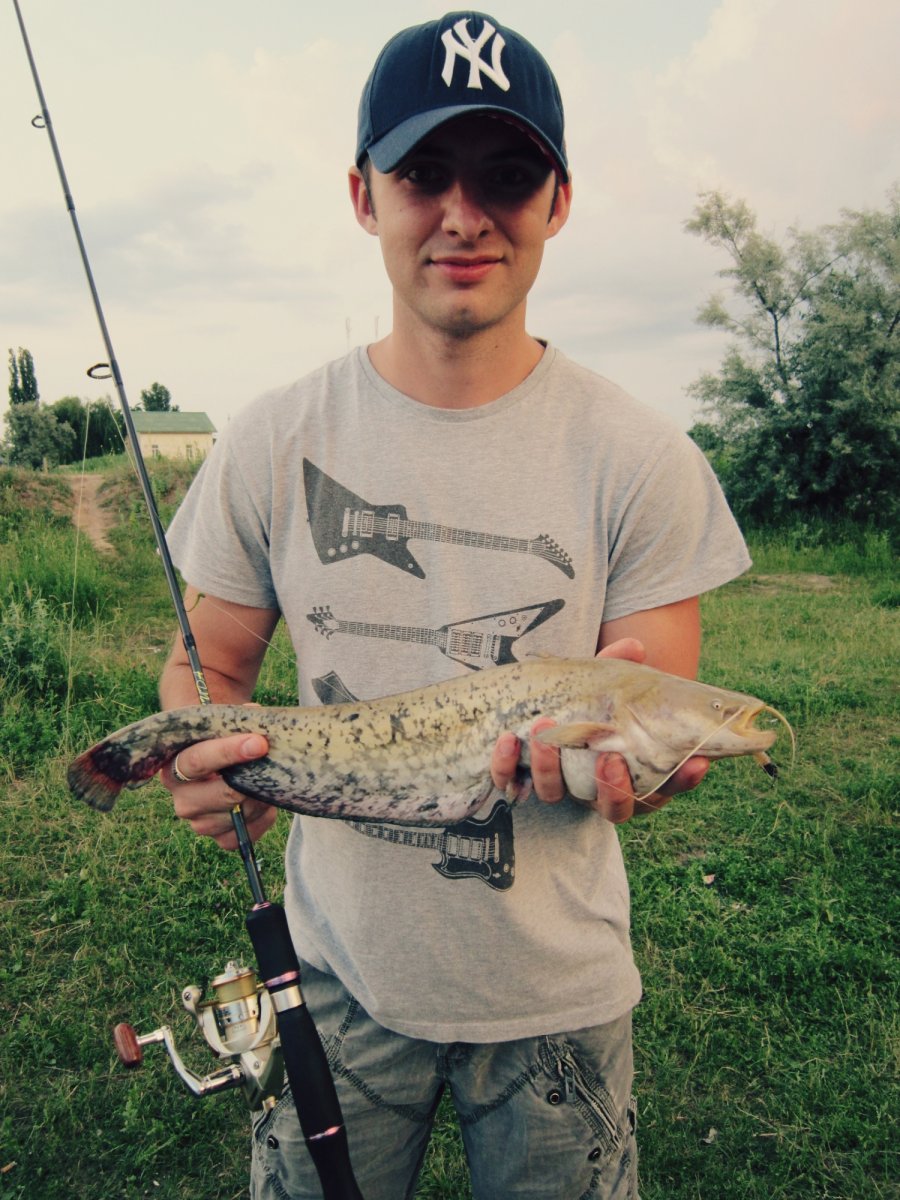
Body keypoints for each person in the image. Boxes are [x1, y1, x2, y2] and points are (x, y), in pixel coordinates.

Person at [158, 12, 751, 1199]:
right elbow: (205, 668)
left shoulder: (644, 459)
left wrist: (640, 768)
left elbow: (656, 732)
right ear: (363, 195)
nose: (465, 215)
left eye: (507, 176)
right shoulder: (271, 439)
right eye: (424, 173)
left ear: (559, 201)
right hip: (334, 976)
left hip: (559, 1001)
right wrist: (205, 759)